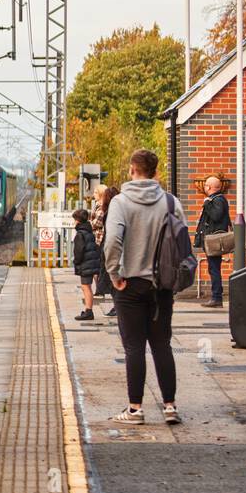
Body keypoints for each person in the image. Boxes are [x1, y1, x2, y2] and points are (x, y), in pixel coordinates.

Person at [102, 148, 183, 426]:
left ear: (132, 170)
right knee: (162, 344)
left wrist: (114, 274)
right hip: (162, 285)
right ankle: (170, 406)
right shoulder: (171, 203)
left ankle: (135, 410)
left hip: (130, 284)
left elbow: (112, 241)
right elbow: (183, 242)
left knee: (134, 347)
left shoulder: (121, 203)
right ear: (156, 172)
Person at [193, 174, 231, 309]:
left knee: (214, 269)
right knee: (213, 268)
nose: (204, 186)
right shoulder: (216, 199)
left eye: (206, 185)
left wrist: (207, 204)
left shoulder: (218, 200)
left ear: (209, 187)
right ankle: (216, 297)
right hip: (211, 241)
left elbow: (216, 216)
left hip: (214, 242)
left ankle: (216, 297)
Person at [92, 184, 119, 317]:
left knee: (112, 277)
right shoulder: (117, 210)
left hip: (110, 247)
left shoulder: (108, 212)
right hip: (113, 248)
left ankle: (118, 306)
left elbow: (109, 232)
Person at [71, 208, 101, 321]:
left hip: (85, 264)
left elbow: (79, 251)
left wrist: (76, 262)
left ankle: (89, 311)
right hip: (91, 262)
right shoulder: (89, 231)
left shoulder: (80, 234)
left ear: (78, 221)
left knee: (86, 287)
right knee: (87, 286)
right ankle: (88, 310)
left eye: (74, 220)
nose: (74, 222)